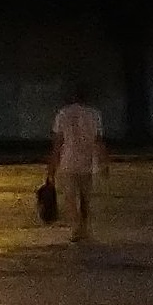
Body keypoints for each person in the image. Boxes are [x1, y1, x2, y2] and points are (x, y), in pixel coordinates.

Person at [48, 84, 110, 246]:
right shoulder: (94, 114)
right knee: (85, 198)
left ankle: (76, 228)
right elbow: (98, 140)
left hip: (67, 161)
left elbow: (58, 143)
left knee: (70, 197)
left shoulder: (63, 114)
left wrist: (51, 168)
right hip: (87, 161)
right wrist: (103, 162)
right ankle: (84, 227)